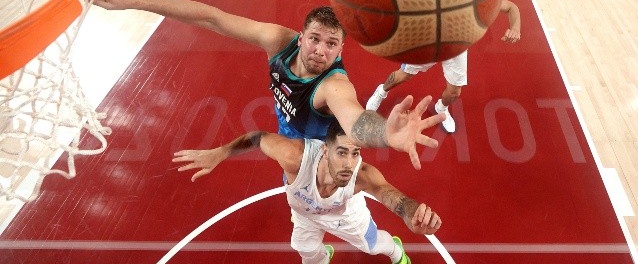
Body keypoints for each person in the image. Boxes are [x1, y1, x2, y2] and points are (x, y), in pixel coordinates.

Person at [91, 0, 443, 169]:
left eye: (331, 44)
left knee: (331, 209)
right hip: (287, 134)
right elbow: (211, 17)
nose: (320, 51)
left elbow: (355, 119)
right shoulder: (279, 40)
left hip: (319, 154)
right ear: (301, 36)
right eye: (315, 39)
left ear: (340, 50)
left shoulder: (334, 85)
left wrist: (386, 136)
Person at [173, 120, 442, 264]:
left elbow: (388, 193)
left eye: (355, 153)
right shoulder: (296, 158)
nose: (349, 162)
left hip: (346, 216)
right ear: (325, 150)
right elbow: (257, 138)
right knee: (304, 249)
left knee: (372, 247)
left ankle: (396, 250)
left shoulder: (360, 175)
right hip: (305, 214)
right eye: (341, 152)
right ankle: (323, 257)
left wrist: (409, 213)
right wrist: (220, 153)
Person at [366, 0, 521, 133]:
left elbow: (511, 7)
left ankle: (441, 108)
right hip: (429, 43)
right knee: (402, 76)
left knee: (454, 93)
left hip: (456, 48)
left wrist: (515, 27)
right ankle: (381, 92)